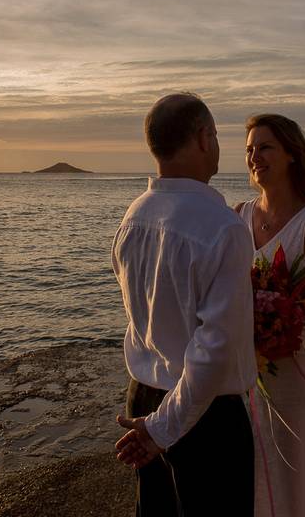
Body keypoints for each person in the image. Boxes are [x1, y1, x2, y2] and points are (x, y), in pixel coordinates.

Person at [113, 93, 257, 516]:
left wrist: (154, 424)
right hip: (203, 416)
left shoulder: (133, 217)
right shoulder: (223, 228)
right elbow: (212, 353)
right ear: (204, 137)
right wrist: (164, 429)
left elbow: (141, 322)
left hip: (142, 397)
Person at [236, 114, 305, 517]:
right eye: (249, 149)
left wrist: (298, 339)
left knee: (300, 473)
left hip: (298, 377)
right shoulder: (238, 217)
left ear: (291, 155)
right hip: (246, 378)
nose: (254, 157)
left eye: (264, 147)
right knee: (251, 475)